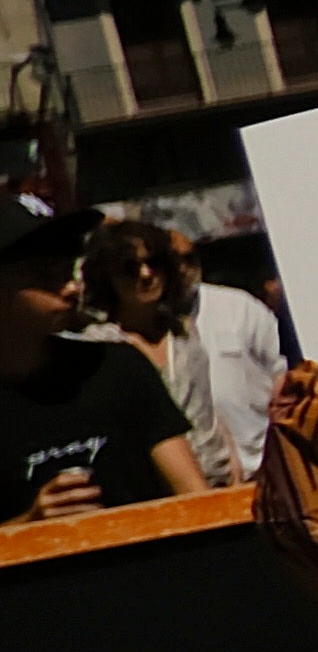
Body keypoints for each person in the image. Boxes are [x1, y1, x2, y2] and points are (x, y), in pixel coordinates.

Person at [0, 204, 210, 514]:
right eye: (45, 277)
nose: (71, 288)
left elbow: (194, 496)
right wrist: (28, 526)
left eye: (68, 272)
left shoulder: (117, 367)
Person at [174, 226, 291, 480]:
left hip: (266, 467)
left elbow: (283, 377)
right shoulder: (148, 328)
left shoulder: (238, 307)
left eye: (189, 259)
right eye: (172, 261)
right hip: (205, 475)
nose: (183, 268)